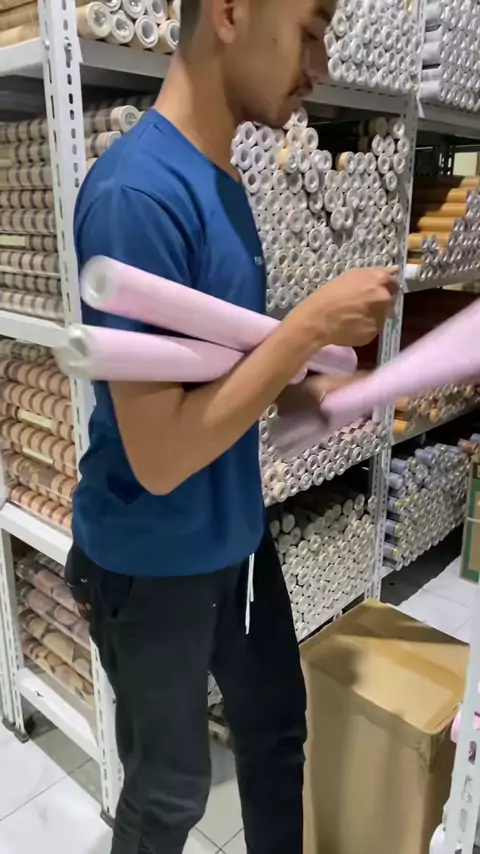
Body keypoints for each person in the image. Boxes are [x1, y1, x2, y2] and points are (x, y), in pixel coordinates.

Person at [65, 0, 397, 852]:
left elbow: (216, 375)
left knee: (276, 733)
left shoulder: (224, 182)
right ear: (231, 12)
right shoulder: (137, 196)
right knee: (169, 795)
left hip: (236, 542)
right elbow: (160, 456)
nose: (320, 66)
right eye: (311, 29)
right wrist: (305, 330)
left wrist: (298, 392)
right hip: (151, 561)